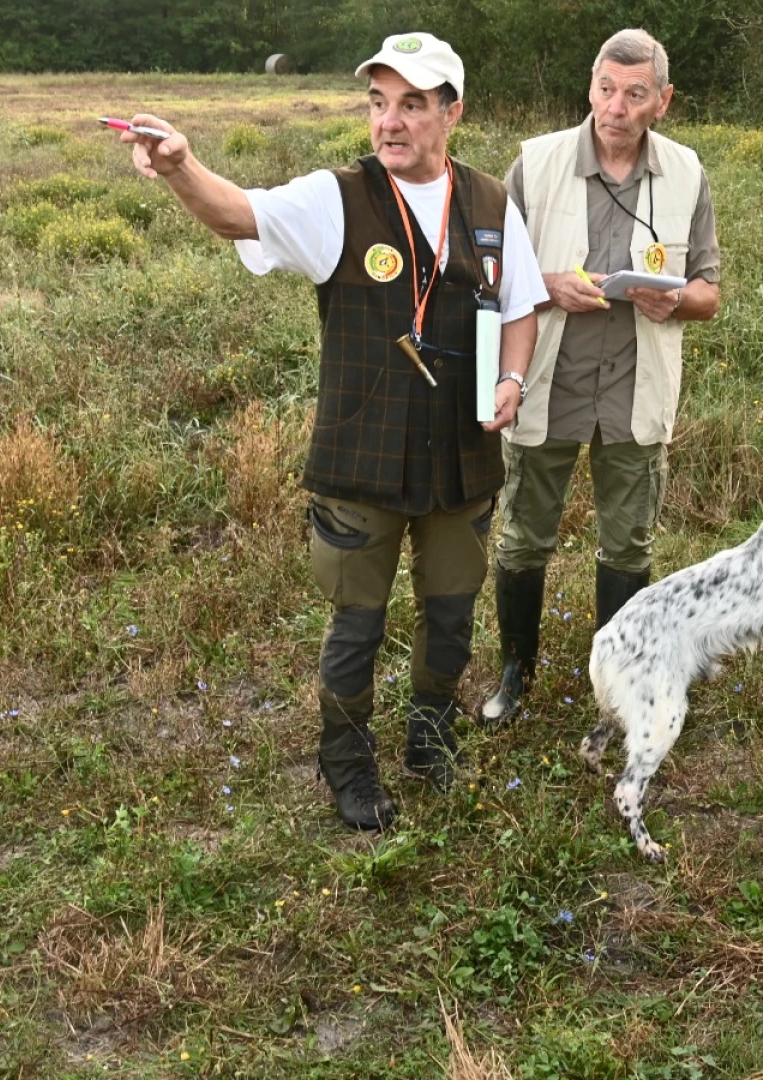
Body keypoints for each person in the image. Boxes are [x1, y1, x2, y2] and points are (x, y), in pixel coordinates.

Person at [115, 33, 548, 830]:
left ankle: (430, 735)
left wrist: (514, 379)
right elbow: (235, 213)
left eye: (412, 105)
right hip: (362, 460)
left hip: (462, 460)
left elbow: (521, 307)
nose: (390, 122)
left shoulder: (490, 203)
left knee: (450, 614)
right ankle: (348, 765)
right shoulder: (334, 198)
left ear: (451, 113)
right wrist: (180, 166)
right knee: (359, 624)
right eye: (379, 103)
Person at [478, 28, 723, 726]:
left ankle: (613, 691)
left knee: (629, 544)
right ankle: (514, 677)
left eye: (635, 94)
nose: (616, 107)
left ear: (662, 101)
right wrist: (548, 284)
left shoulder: (686, 172)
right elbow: (491, 282)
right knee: (524, 536)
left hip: (634, 392)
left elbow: (709, 292)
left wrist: (673, 298)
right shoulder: (537, 163)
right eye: (606, 89)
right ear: (591, 86)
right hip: (544, 381)